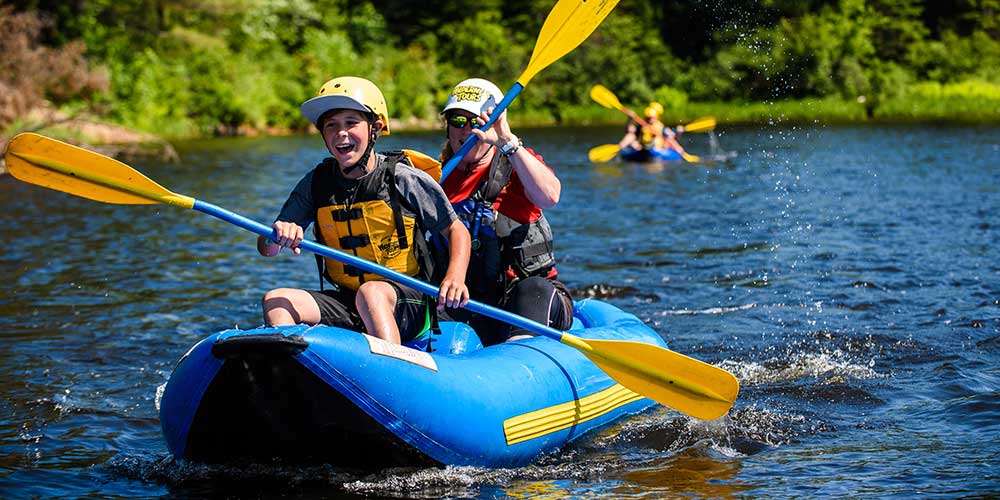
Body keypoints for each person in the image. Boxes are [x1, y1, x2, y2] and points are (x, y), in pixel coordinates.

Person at [259, 76, 471, 345]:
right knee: (276, 300)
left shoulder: (403, 179)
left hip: (410, 300)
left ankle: (392, 373)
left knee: (372, 293)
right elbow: (266, 247)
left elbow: (456, 229)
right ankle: (292, 374)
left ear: (375, 128)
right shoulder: (316, 183)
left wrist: (455, 277)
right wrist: (276, 237)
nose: (341, 133)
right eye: (331, 125)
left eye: (351, 123)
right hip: (349, 298)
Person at [433, 77, 573, 346]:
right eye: (458, 121)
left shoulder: (516, 163)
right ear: (448, 127)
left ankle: (521, 354)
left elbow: (550, 196)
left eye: (477, 122)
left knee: (533, 290)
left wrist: (506, 140)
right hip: (467, 300)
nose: (468, 131)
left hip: (525, 298)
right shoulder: (435, 177)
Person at [618, 101, 689, 157]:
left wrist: (678, 132)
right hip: (641, 148)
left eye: (652, 118)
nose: (650, 120)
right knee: (631, 136)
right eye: (648, 118)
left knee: (668, 139)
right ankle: (619, 149)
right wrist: (629, 119)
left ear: (657, 117)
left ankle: (679, 151)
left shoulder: (661, 127)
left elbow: (672, 136)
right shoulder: (642, 125)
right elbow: (628, 130)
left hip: (656, 149)